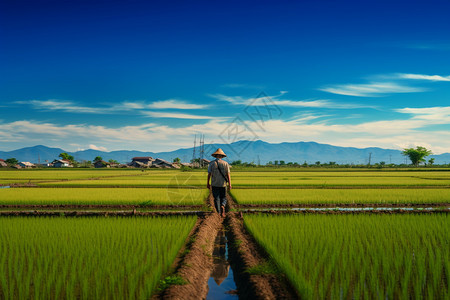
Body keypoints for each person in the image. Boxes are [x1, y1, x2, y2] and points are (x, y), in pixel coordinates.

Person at [207, 148, 231, 217]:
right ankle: (223, 205)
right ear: (222, 156)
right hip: (223, 184)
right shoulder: (225, 164)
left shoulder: (211, 164)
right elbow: (228, 175)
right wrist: (230, 184)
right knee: (223, 197)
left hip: (214, 184)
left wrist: (208, 184)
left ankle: (218, 212)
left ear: (215, 156)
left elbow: (209, 174)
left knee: (216, 198)